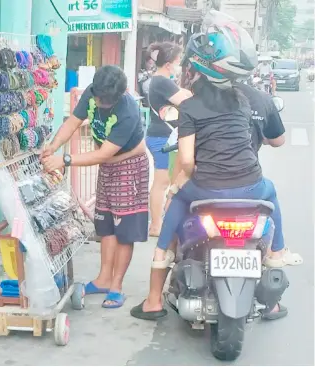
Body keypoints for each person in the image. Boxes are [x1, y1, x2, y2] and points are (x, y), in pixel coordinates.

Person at [131, 11, 291, 321]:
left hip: (207, 188)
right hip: (251, 185)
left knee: (170, 222)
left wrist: (176, 187)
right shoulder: (244, 101)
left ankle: (153, 301)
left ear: (194, 69)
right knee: (271, 194)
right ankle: (274, 259)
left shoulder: (189, 106)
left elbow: (188, 160)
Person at [41, 65, 149, 309]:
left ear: (120, 95)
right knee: (106, 223)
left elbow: (103, 154)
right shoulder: (94, 91)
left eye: (105, 101)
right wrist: (54, 145)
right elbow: (73, 121)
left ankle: (116, 286)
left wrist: (65, 160)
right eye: (98, 98)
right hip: (108, 166)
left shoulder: (128, 111)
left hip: (129, 167)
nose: (99, 103)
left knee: (125, 230)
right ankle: (103, 278)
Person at [145, 42, 192, 236]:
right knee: (162, 182)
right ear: (168, 64)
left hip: (164, 135)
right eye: (177, 62)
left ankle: (161, 222)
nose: (179, 66)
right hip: (162, 137)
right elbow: (186, 100)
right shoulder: (162, 82)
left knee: (167, 181)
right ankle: (156, 225)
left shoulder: (160, 81)